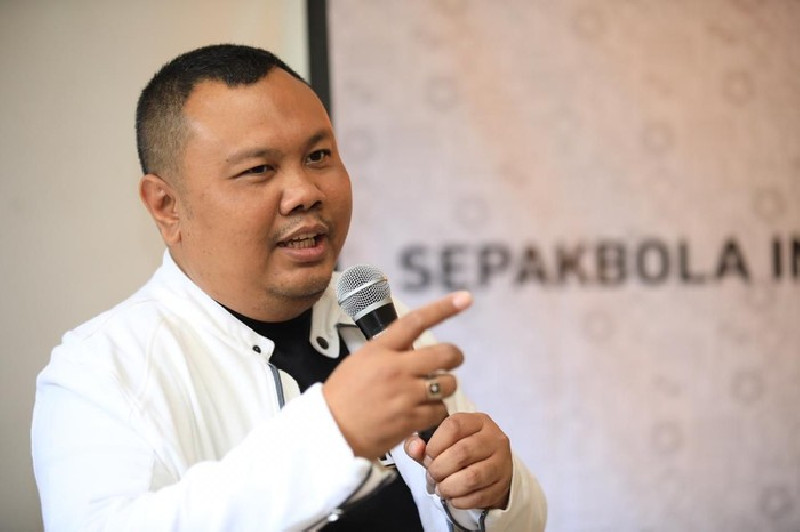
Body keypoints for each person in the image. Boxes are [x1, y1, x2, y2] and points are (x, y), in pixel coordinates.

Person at [31, 44, 547, 531]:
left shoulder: (371, 314)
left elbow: (519, 518)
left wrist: (494, 492)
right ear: (167, 207)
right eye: (259, 169)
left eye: (319, 156)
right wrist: (334, 433)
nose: (305, 192)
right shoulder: (101, 368)